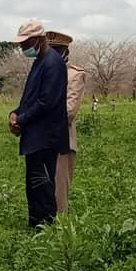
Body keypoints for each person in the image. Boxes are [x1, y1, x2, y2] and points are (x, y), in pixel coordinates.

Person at [9, 19, 69, 231]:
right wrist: (15, 112)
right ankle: (35, 223)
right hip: (36, 136)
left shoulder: (53, 63)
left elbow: (46, 102)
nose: (23, 47)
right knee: (34, 184)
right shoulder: (40, 61)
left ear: (39, 39)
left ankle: (45, 226)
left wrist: (21, 120)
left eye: (26, 43)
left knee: (43, 184)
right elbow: (30, 97)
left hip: (46, 136)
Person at [46, 30, 86, 213]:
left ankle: (60, 231)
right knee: (41, 187)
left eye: (57, 50)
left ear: (66, 53)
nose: (52, 54)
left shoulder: (74, 75)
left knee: (59, 192)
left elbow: (68, 112)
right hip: (39, 141)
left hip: (61, 140)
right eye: (50, 49)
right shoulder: (41, 72)